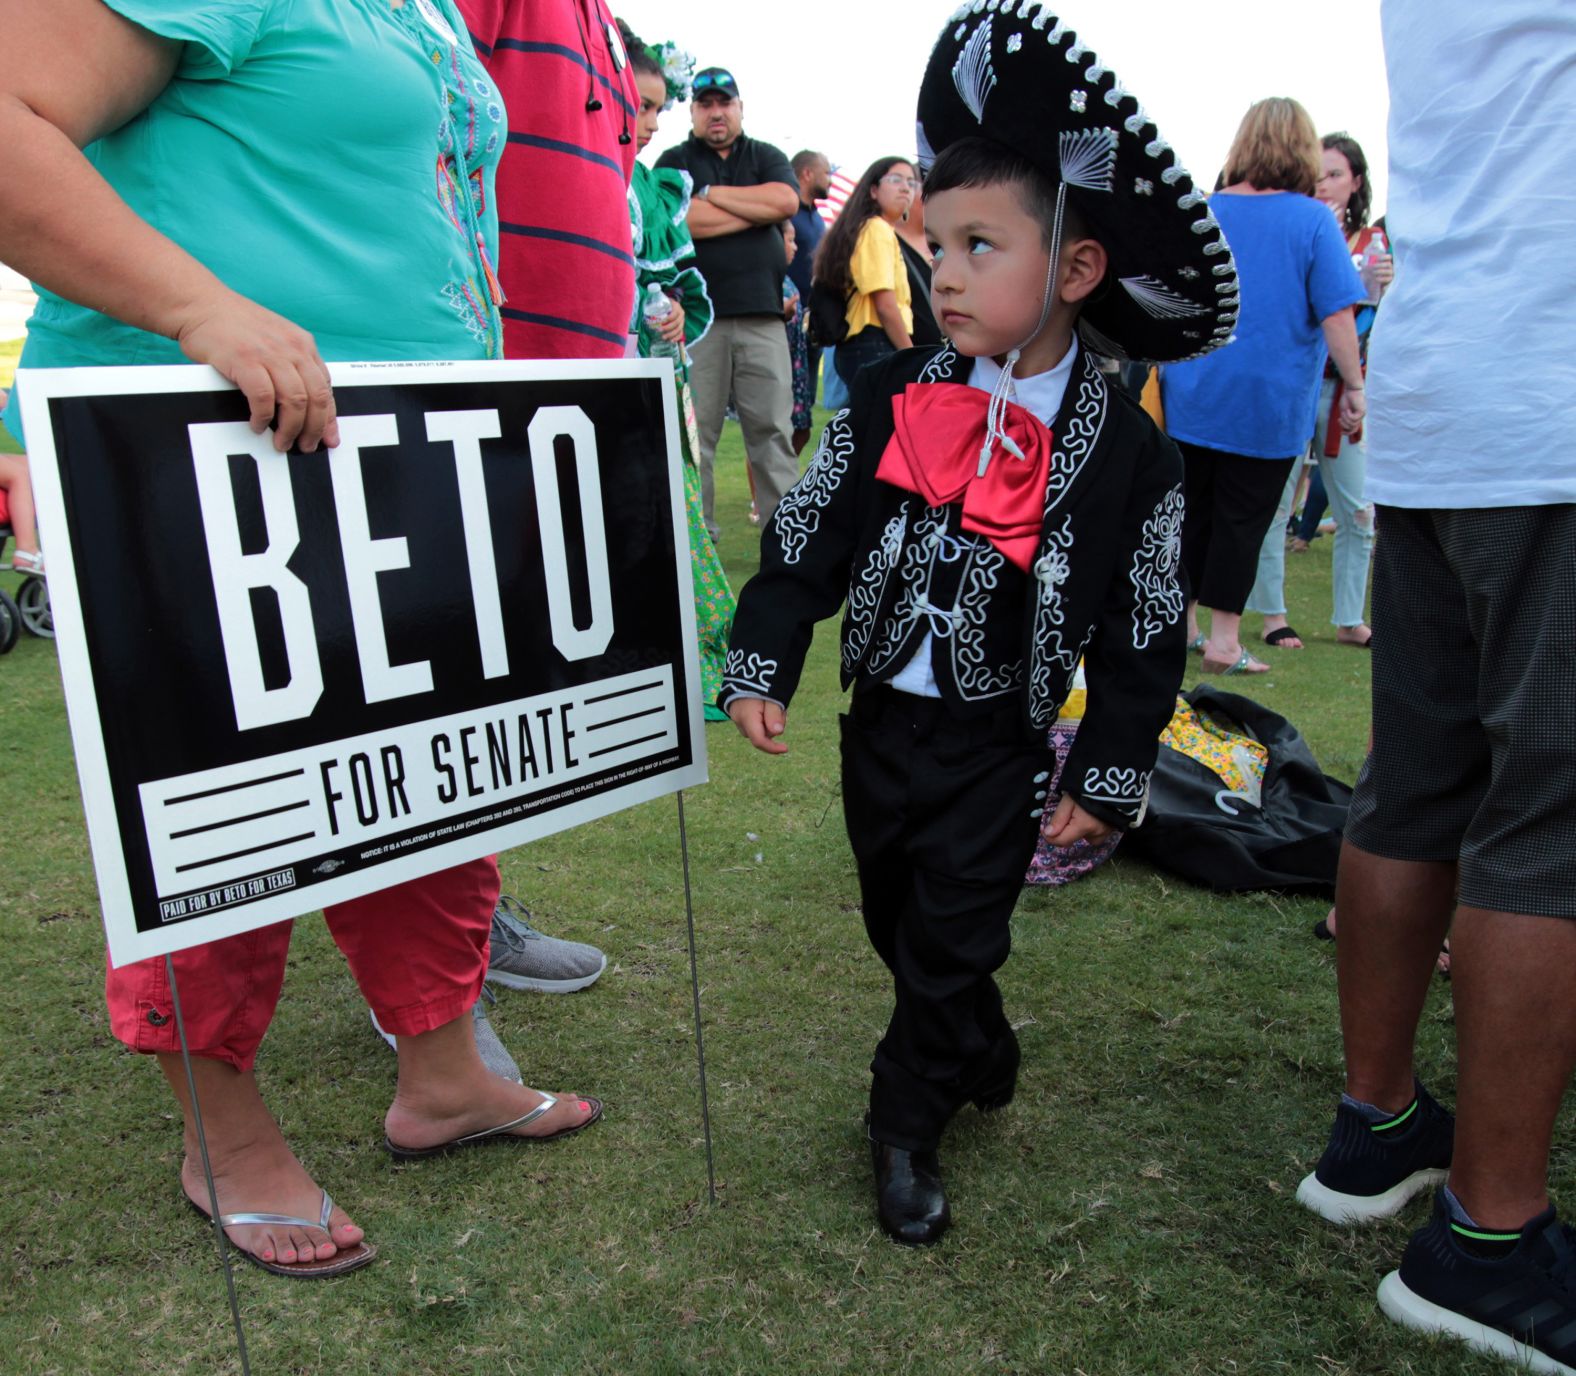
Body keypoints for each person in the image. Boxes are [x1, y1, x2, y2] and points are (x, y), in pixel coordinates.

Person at [0, 0, 599, 1280]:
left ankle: (442, 1076)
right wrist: (198, 309)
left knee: (431, 776)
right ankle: (221, 1133)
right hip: (201, 454)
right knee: (224, 805)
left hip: (403, 454)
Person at [721, 9, 1235, 1246]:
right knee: (896, 916)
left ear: (1072, 272)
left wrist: (1109, 772)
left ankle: (903, 1122)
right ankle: (978, 1039)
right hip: (878, 723)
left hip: (994, 743)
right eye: (931, 242)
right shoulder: (893, 394)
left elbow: (1145, 626)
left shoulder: (1133, 455)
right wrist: (763, 653)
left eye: (977, 246)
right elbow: (808, 534)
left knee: (954, 922)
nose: (940, 271)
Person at [1296, 4, 1576, 1371]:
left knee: (1414, 786)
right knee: (1549, 822)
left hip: (1450, 391)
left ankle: (1381, 1124)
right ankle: (1489, 1240)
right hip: (1549, 397)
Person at [1160, 98, 1367, 675]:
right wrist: (1354, 385)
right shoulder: (1313, 220)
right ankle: (1225, 640)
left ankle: (1183, 625)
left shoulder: (1201, 212)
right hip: (1270, 400)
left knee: (1191, 513)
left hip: (1194, 390)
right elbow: (1336, 313)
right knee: (1243, 518)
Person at [619, 18, 736, 723]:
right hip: (603, 380)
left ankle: (680, 656)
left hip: (663, 384)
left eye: (658, 107)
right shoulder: (584, 176)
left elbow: (692, 293)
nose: (650, 122)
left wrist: (674, 321)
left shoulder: (658, 191)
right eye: (637, 104)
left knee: (671, 510)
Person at [1247, 131, 1391, 649]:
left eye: (1336, 174)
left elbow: (1377, 316)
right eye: (1319, 174)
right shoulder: (1300, 230)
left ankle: (1349, 618)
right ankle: (1272, 615)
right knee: (1276, 503)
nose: (1326, 184)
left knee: (1358, 510)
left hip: (1345, 394)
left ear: (1355, 181)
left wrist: (1390, 289)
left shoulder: (1375, 245)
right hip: (1296, 385)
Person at [655, 66, 800, 539]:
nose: (716, 113)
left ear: (740, 107)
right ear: (693, 111)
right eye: (706, 105)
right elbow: (682, 222)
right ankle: (700, 548)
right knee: (698, 441)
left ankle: (785, 548)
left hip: (763, 317)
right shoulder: (674, 159)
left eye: (724, 103)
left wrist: (712, 195)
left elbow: (784, 201)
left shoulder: (767, 155)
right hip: (697, 323)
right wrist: (754, 214)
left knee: (773, 437)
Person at [812, 156, 918, 389]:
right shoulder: (876, 229)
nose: (905, 188)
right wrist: (909, 355)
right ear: (873, 190)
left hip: (865, 346)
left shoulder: (870, 228)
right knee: (883, 423)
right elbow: (885, 304)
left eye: (911, 183)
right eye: (896, 179)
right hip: (875, 342)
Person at [788, 148, 831, 426]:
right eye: (826, 173)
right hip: (786, 324)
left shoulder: (817, 218)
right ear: (806, 173)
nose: (830, 180)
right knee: (782, 417)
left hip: (813, 326)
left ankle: (793, 471)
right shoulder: (786, 214)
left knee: (804, 420)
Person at [892, 174, 943, 348]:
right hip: (910, 356)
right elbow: (885, 306)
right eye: (927, 192)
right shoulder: (887, 238)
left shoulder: (944, 241)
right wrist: (909, 356)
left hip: (945, 356)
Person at [781, 220, 815, 455]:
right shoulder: (771, 281)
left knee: (802, 431)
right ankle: (761, 493)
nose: (795, 247)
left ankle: (788, 484)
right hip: (782, 368)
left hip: (798, 368)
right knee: (775, 434)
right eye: (789, 241)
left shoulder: (787, 280)